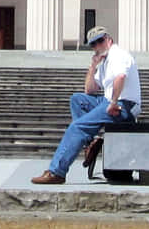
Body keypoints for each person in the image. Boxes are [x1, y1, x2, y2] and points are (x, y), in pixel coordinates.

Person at [31, 25, 141, 184]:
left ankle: (57, 172)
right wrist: (93, 66)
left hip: (124, 106)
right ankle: (91, 142)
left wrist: (114, 102)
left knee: (78, 127)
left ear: (109, 40)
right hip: (108, 100)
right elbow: (89, 89)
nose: (97, 46)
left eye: (100, 41)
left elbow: (120, 78)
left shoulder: (118, 55)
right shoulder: (105, 61)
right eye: (93, 44)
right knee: (77, 100)